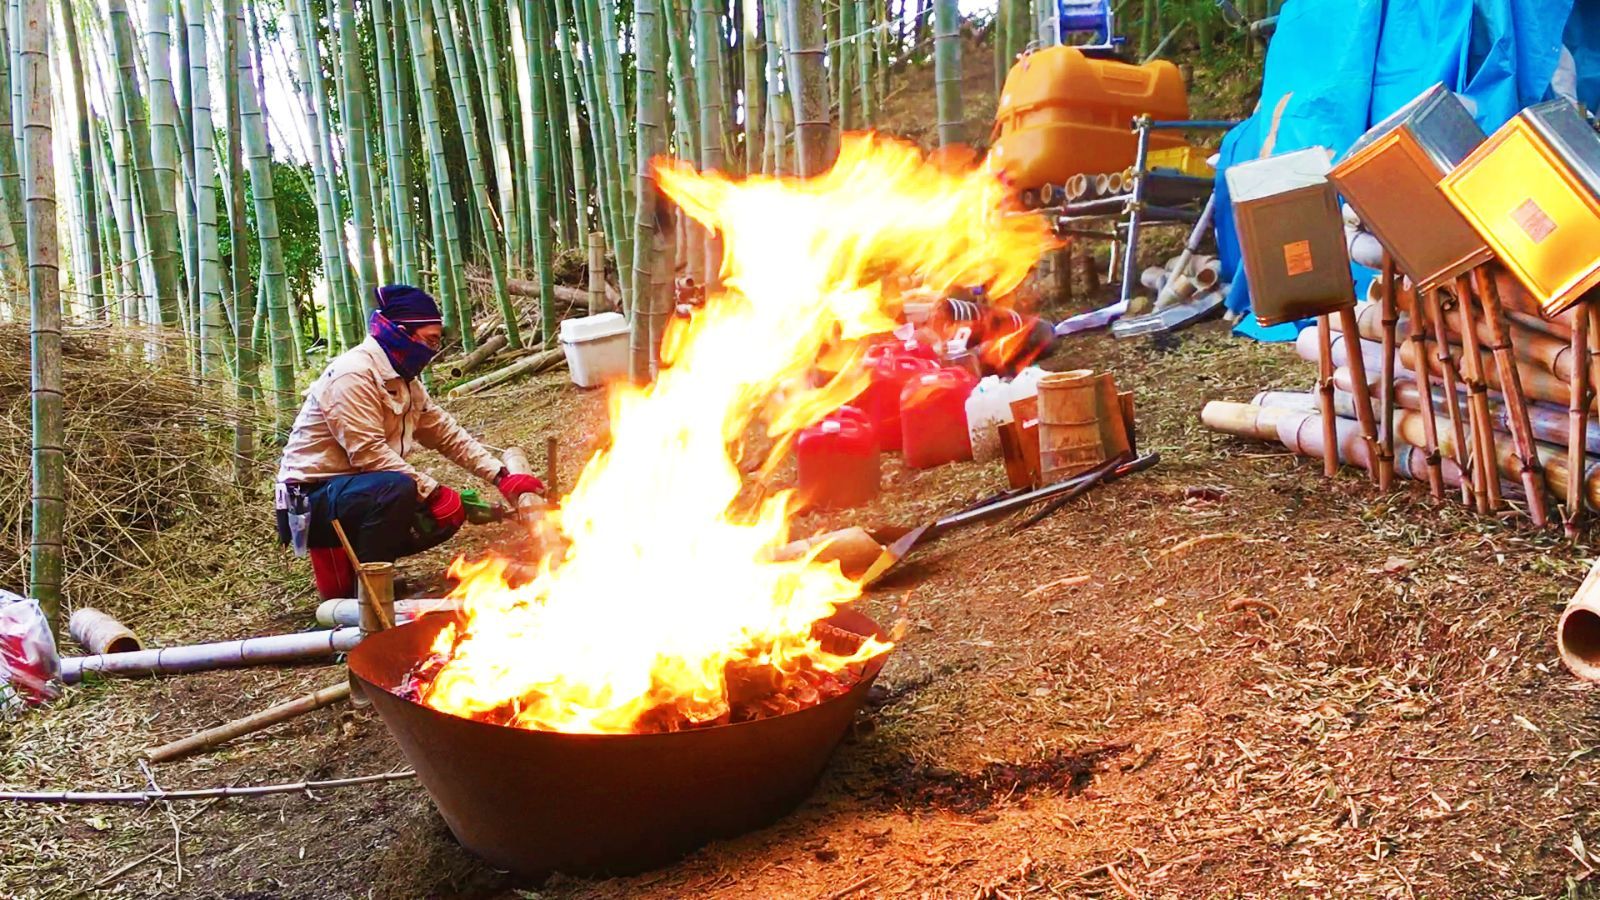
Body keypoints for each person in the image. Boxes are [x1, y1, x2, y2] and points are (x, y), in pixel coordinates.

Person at [275, 285, 544, 600]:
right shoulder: (353, 375)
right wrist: (434, 491)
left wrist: (502, 477)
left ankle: (367, 578)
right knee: (397, 490)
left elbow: (444, 432)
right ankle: (366, 595)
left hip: (353, 493)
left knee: (442, 511)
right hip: (309, 500)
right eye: (430, 340)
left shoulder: (404, 381)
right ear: (401, 333)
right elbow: (368, 453)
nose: (434, 349)